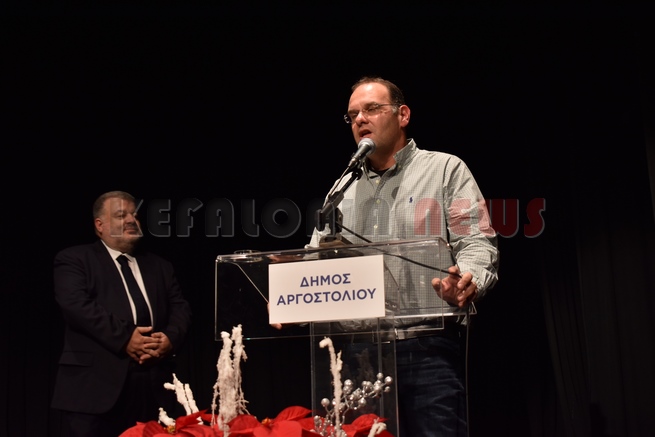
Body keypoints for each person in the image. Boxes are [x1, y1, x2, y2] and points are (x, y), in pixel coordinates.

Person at [308, 76, 499, 436]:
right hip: (360, 354)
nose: (360, 119)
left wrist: (467, 279)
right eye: (352, 114)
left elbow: (476, 241)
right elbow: (315, 259)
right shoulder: (342, 189)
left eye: (372, 109)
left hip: (428, 345)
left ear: (403, 115)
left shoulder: (445, 169)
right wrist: (288, 297)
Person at [51, 190, 193, 437]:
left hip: (154, 388)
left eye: (134, 215)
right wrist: (126, 337)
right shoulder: (75, 259)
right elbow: (76, 305)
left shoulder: (160, 266)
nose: (131, 220)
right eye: (121, 215)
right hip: (95, 390)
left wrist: (170, 339)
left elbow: (181, 308)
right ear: (100, 225)